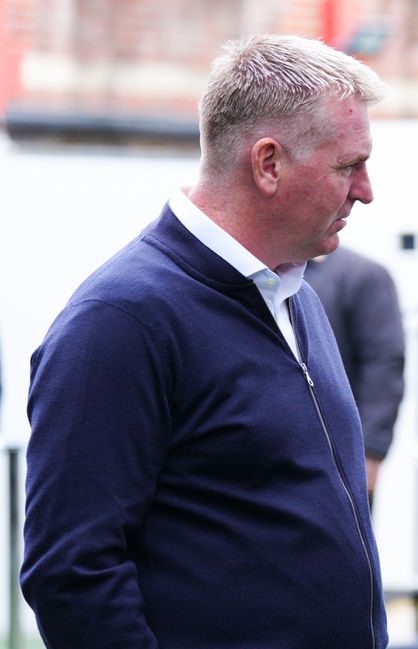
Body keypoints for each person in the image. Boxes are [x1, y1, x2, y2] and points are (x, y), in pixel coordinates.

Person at [22, 35, 389, 649]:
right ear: (267, 163)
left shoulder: (293, 292)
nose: (366, 190)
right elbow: (72, 574)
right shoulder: (120, 321)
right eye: (348, 166)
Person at [306, 247, 405, 503]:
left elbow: (384, 362)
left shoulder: (364, 275)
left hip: (340, 454)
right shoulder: (270, 271)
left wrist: (370, 449)